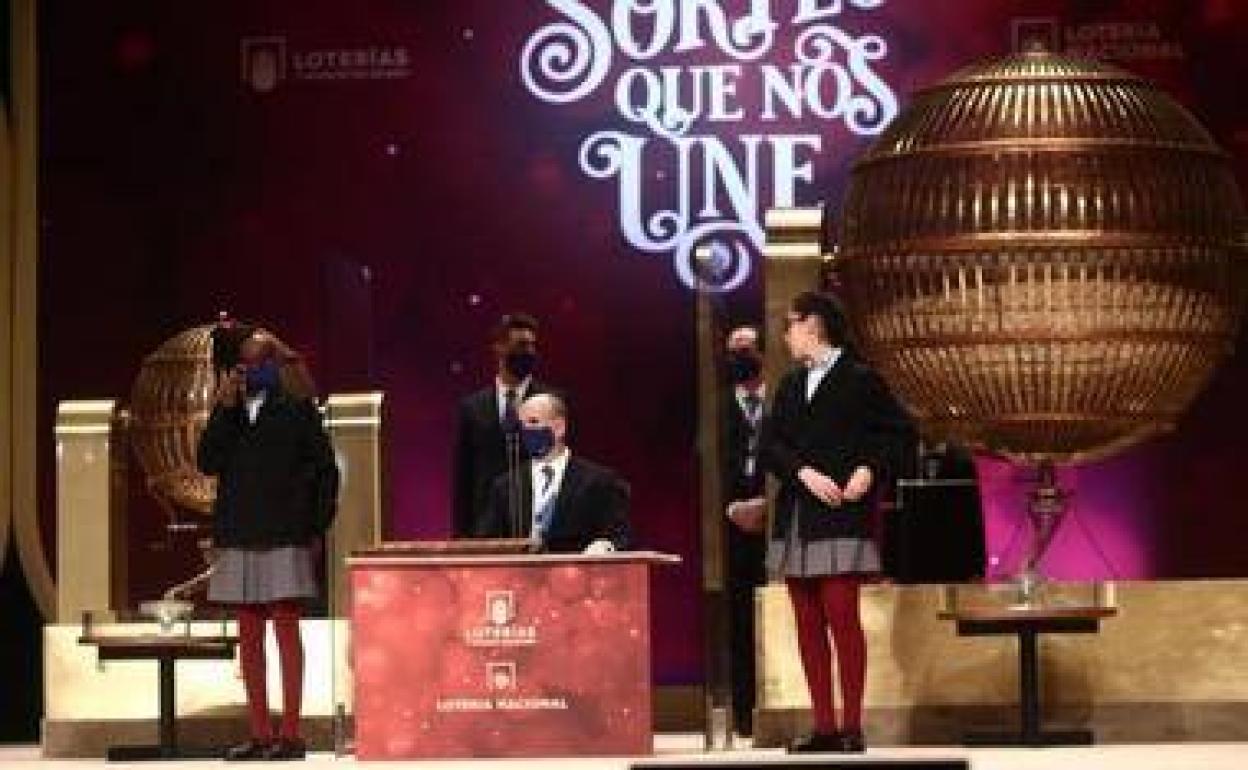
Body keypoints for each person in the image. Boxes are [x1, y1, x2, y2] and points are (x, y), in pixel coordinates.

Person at [760, 291, 914, 754]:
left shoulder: (860, 379)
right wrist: (802, 472)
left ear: (815, 325)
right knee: (807, 624)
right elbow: (770, 445)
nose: (786, 335)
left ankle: (851, 726)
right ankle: (824, 726)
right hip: (797, 515)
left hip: (841, 514)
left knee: (842, 619)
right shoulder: (790, 384)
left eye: (791, 324)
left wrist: (869, 468)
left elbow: (900, 434)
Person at [198, 328, 339, 761]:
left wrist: (314, 527)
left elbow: (326, 470)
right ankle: (259, 734)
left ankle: (291, 735)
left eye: (260, 363)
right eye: (245, 365)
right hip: (239, 530)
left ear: (275, 365)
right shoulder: (229, 411)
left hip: (285, 531)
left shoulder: (297, 408)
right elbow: (207, 462)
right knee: (249, 633)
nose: (252, 371)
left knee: (285, 627)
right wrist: (224, 410)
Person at [476, 393, 631, 554]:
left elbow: (620, 537)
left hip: (575, 568)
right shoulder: (506, 485)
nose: (525, 430)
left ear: (559, 428)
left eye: (533, 422)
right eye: (522, 425)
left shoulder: (599, 481)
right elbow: (485, 542)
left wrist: (604, 547)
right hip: (521, 569)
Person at [451, 313, 561, 538]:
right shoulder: (472, 407)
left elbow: (562, 465)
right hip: (487, 528)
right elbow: (463, 477)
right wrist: (461, 535)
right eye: (521, 345)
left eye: (532, 345)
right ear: (499, 348)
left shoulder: (552, 402)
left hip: (539, 525)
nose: (529, 352)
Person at [720, 324, 768, 736]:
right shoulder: (718, 407)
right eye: (733, 351)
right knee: (738, 620)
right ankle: (743, 715)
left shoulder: (782, 401)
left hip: (777, 522)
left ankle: (775, 703)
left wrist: (769, 504)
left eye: (747, 350)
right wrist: (732, 507)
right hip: (731, 526)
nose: (740, 358)